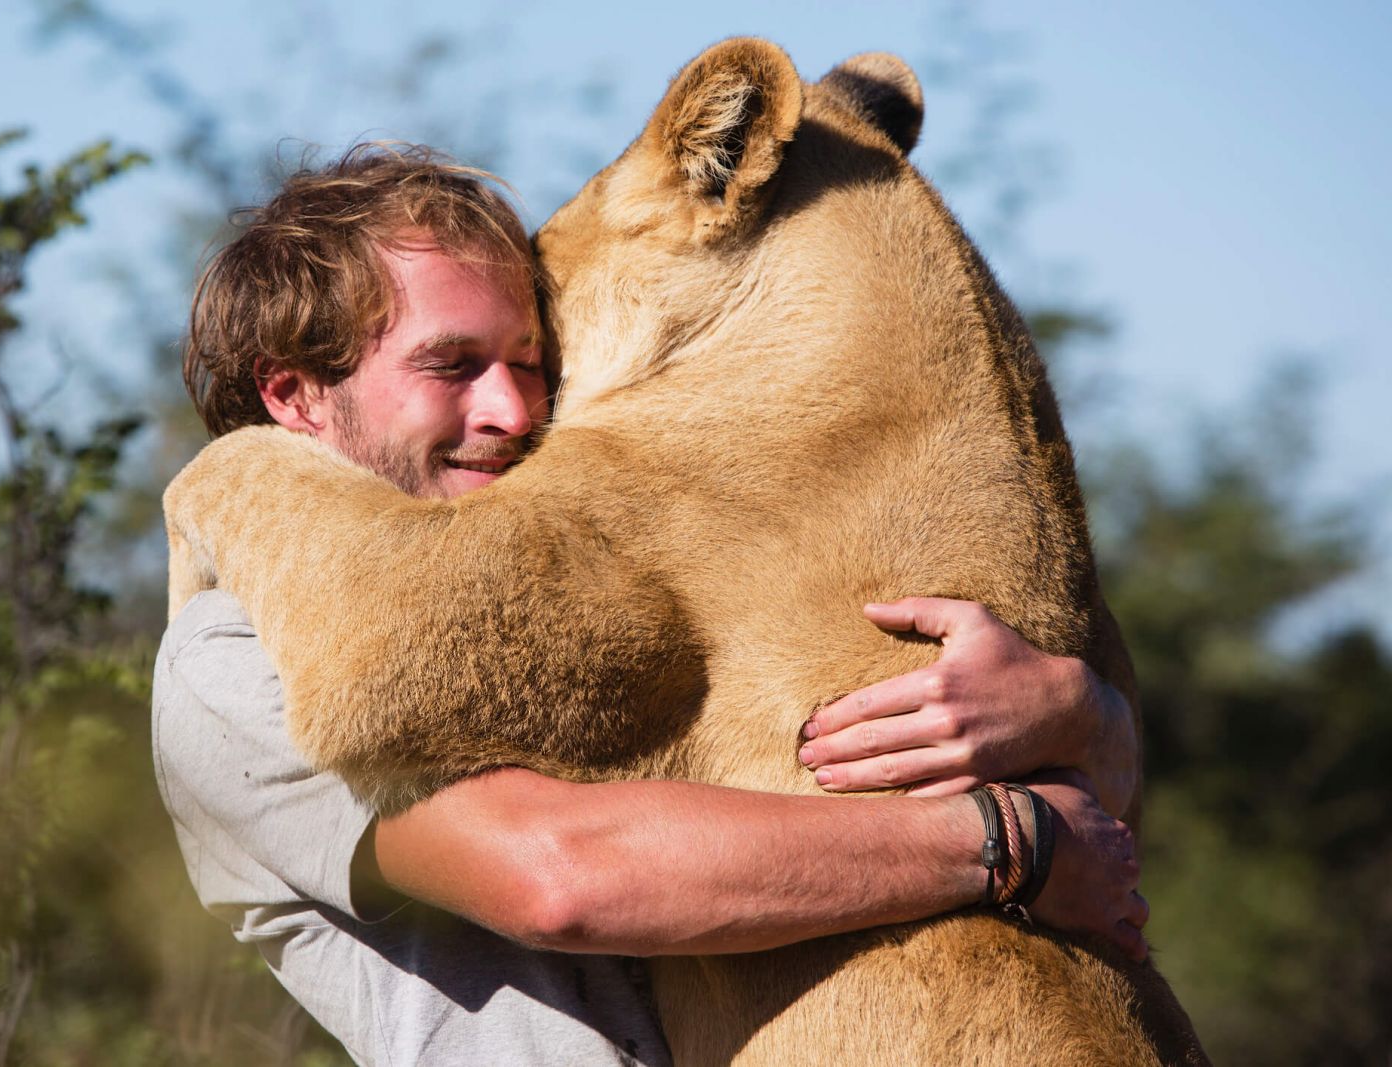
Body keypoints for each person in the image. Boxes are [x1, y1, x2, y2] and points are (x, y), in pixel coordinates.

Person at [154, 143, 1147, 1066]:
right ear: (293, 396)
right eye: (450, 364)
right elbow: (557, 875)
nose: (513, 410)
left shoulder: (561, 559)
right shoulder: (231, 652)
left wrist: (1076, 712)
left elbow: (1052, 793)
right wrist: (1006, 842)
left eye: (530, 359)